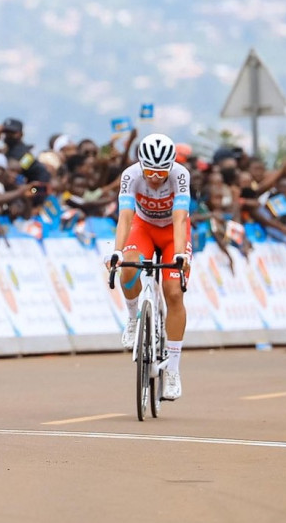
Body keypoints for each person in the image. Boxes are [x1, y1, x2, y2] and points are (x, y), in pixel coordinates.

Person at [108, 133, 191, 401]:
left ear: (171, 166)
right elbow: (125, 217)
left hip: (172, 233)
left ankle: (173, 371)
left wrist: (179, 254)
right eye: (150, 171)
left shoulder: (180, 175)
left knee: (174, 291)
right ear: (141, 165)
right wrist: (117, 251)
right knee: (128, 268)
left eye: (161, 172)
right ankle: (133, 320)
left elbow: (179, 219)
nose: (155, 178)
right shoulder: (131, 175)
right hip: (142, 227)